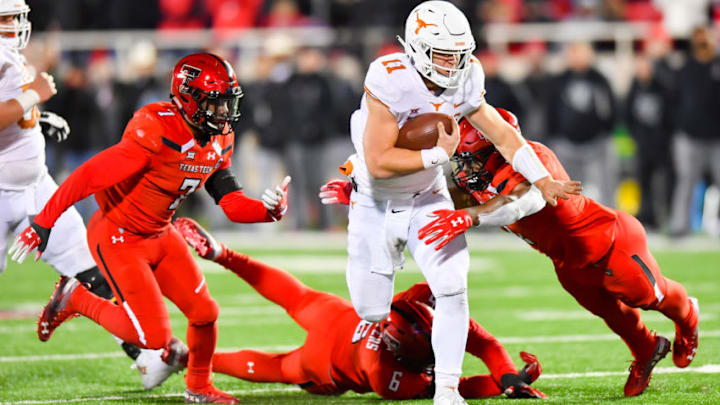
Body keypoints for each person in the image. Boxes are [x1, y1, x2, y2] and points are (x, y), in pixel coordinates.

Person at [9, 53, 292, 404]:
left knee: (206, 313)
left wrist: (268, 211)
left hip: (160, 233)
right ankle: (78, 298)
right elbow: (89, 175)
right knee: (154, 336)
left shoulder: (219, 139)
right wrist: (44, 221)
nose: (223, 113)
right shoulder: (157, 129)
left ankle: (199, 388)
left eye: (226, 103)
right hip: (119, 236)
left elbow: (232, 203)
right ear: (188, 98)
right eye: (215, 103)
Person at [339, 2, 580, 404]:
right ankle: (388, 319)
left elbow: (504, 136)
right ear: (416, 48)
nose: (454, 64)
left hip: (428, 197)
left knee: (453, 288)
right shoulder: (389, 77)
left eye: (459, 54)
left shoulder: (467, 76)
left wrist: (542, 179)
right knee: (371, 312)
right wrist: (438, 155)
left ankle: (448, 391)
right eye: (444, 54)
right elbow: (380, 163)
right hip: (375, 203)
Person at [413, 109, 698, 397]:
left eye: (469, 160)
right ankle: (647, 348)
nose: (464, 169)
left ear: (494, 149)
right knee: (611, 313)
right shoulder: (481, 179)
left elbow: (518, 201)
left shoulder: (534, 159)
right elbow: (443, 196)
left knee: (647, 297)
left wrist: (470, 216)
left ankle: (688, 316)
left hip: (610, 242)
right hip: (567, 261)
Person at [0, 0, 180, 391]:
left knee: (90, 266)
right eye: (6, 18)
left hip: (36, 186)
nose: (14, 24)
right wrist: (34, 97)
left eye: (15, 16)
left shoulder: (9, 57)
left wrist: (37, 118)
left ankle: (144, 355)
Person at [173, 217, 547, 400]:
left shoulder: (409, 306)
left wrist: (508, 377)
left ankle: (225, 254)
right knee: (279, 367)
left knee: (296, 295)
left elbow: (480, 346)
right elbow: (464, 380)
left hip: (337, 316)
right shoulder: (391, 378)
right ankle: (186, 357)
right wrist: (504, 381)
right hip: (328, 363)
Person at [668, 25, 720, 237]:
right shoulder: (685, 68)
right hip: (688, 136)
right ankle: (680, 226)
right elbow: (672, 100)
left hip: (717, 137)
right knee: (686, 183)